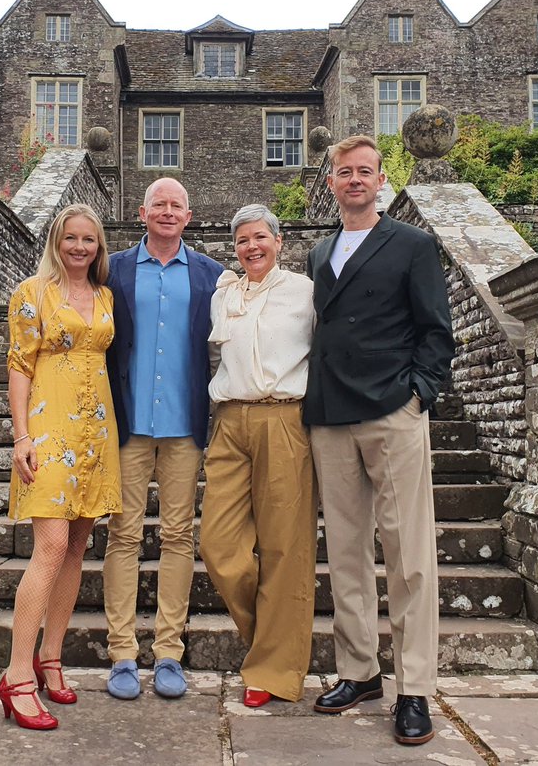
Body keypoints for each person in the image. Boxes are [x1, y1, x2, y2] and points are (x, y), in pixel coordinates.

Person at [304, 135, 454, 747]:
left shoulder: (413, 245)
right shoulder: (318, 253)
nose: (355, 180)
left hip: (392, 411)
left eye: (365, 171)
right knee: (345, 553)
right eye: (345, 172)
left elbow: (436, 331)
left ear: (381, 179)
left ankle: (414, 687)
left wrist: (416, 393)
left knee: (408, 555)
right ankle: (359, 672)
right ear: (332, 182)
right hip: (330, 414)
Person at [0, 203, 122, 731]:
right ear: (57, 241)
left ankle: (52, 657)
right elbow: (20, 365)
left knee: (77, 545)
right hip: (49, 427)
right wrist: (21, 435)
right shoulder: (33, 293)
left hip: (97, 429)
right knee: (49, 546)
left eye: (89, 239)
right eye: (70, 238)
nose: (79, 247)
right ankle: (17, 676)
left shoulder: (104, 295)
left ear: (98, 247)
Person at [103, 177, 224, 700]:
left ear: (189, 215)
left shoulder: (212, 276)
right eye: (160, 205)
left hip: (184, 427)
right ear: (142, 212)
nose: (168, 212)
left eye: (177, 204)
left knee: (178, 536)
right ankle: (122, 653)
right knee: (123, 536)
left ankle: (169, 652)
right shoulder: (115, 270)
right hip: (129, 424)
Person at [199, 204, 317, 708]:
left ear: (279, 241)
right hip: (228, 422)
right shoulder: (223, 293)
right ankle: (272, 641)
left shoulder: (305, 292)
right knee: (219, 548)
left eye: (260, 237)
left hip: (284, 418)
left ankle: (273, 668)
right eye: (243, 239)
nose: (252, 246)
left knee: (285, 550)